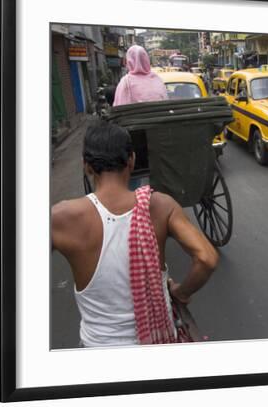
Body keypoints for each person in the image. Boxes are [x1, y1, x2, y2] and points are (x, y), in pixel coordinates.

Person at [51, 121, 219, 346]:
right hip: (157, 343)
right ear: (132, 160)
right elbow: (207, 259)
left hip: (98, 349)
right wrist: (180, 292)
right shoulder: (161, 205)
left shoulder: (60, 217)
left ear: (86, 166)